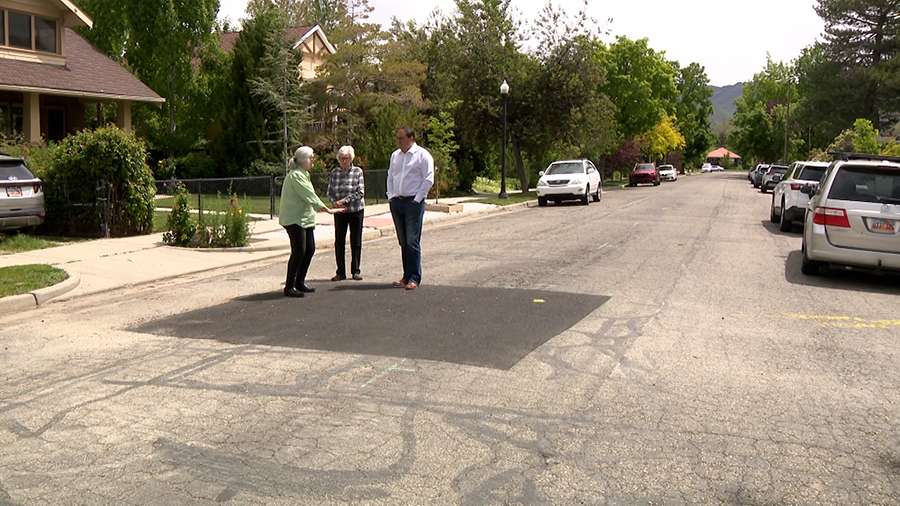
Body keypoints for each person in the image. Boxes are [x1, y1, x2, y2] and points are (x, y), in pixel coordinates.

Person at [279, 146, 341, 298]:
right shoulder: (296, 176)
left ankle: (299, 282)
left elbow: (309, 196)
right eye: (311, 157)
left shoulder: (304, 174)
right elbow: (309, 195)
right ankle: (289, 286)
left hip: (305, 219)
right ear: (302, 160)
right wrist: (326, 209)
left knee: (309, 249)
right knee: (299, 251)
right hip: (294, 219)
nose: (313, 160)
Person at [387, 127, 434, 291]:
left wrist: (417, 199)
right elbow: (390, 176)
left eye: (401, 138)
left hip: (413, 202)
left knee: (412, 241)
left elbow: (428, 179)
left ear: (411, 138)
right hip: (397, 202)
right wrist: (391, 196)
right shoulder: (395, 155)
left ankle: (414, 277)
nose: (398, 141)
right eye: (397, 138)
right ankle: (406, 276)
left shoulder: (422, 155)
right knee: (403, 241)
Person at [327, 146, 365, 282]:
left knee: (356, 241)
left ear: (351, 159)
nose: (344, 161)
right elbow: (329, 191)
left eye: (346, 158)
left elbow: (360, 192)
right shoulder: (334, 172)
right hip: (339, 212)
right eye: (342, 158)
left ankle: (355, 270)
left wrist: (345, 200)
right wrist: (334, 202)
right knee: (339, 242)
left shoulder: (357, 172)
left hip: (355, 210)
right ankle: (340, 272)